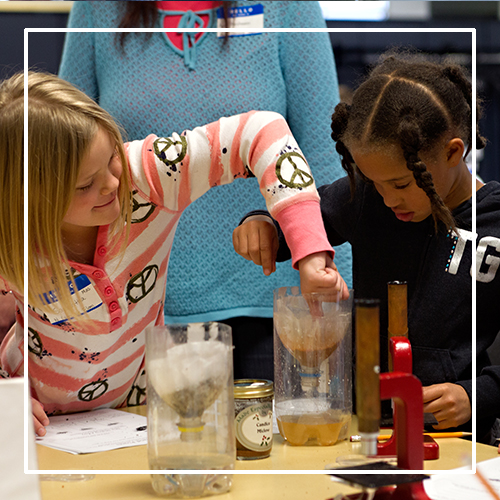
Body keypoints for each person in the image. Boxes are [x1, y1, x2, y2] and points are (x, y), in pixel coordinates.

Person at [0, 71, 347, 437]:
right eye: (86, 184)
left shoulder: (144, 178)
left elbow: (261, 131)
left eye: (111, 159)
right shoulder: (10, 230)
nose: (113, 185)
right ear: (29, 199)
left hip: (136, 410)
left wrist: (310, 253)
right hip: (30, 424)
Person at [57, 0, 352, 381]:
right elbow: (62, 155)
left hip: (273, 298)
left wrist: (332, 281)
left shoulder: (289, 7)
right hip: (135, 309)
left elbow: (325, 155)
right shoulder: (97, 9)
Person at [233, 51, 500, 444]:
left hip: (457, 438)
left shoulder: (493, 223)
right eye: (374, 183)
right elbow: (299, 219)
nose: (388, 200)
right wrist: (262, 224)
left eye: (401, 184)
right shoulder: (367, 199)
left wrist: (476, 395)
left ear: (453, 152)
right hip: (365, 430)